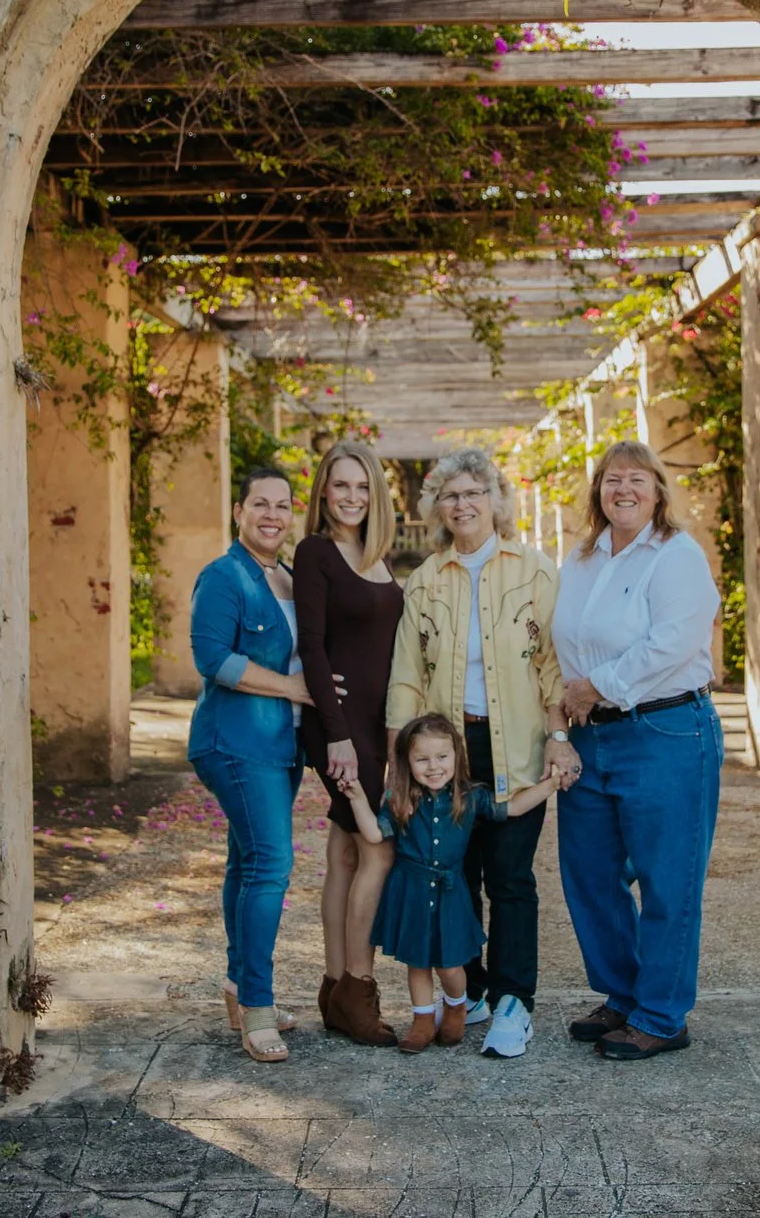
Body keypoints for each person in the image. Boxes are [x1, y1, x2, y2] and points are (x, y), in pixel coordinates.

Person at [385, 447, 581, 1059]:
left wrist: (559, 736)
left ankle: (513, 1001)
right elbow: (407, 674)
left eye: (474, 492)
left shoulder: (535, 571)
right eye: (450, 495)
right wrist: (398, 764)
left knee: (511, 877)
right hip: (447, 755)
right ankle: (467, 991)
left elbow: (552, 663)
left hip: (517, 742)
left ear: (496, 500)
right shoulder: (425, 580)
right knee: (454, 874)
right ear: (437, 508)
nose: (462, 504)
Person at [551, 441, 724, 1061]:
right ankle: (623, 996)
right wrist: (565, 714)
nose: (623, 489)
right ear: (597, 490)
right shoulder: (581, 559)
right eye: (611, 479)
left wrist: (596, 686)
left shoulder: (677, 556)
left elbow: (673, 643)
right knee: (590, 873)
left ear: (657, 491)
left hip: (666, 731)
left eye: (636, 479)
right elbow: (562, 642)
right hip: (591, 735)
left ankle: (662, 1015)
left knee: (667, 877)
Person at [186, 466, 316, 1063]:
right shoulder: (223, 576)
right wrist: (292, 689)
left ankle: (240, 987)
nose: (272, 515)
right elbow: (213, 659)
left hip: (280, 746)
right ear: (239, 511)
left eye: (282, 505)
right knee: (271, 864)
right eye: (259, 504)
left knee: (247, 861)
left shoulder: (289, 578)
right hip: (235, 742)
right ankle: (258, 1008)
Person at [342, 714, 564, 1053]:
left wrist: (549, 786)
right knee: (417, 962)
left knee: (449, 965)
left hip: (450, 894)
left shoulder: (469, 797)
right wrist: (357, 797)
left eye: (442, 757)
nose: (434, 767)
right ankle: (421, 1022)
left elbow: (513, 808)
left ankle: (457, 1006)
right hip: (412, 892)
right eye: (422, 759)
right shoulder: (400, 800)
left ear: (456, 757)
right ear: (407, 762)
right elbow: (374, 834)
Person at [293, 441, 404, 1046]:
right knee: (377, 850)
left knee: (344, 854)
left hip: (377, 724)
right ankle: (359, 989)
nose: (352, 497)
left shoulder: (378, 556)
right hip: (339, 727)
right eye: (341, 485)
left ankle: (334, 988)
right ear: (324, 491)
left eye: (362, 487)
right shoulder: (316, 552)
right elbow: (312, 644)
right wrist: (335, 734)